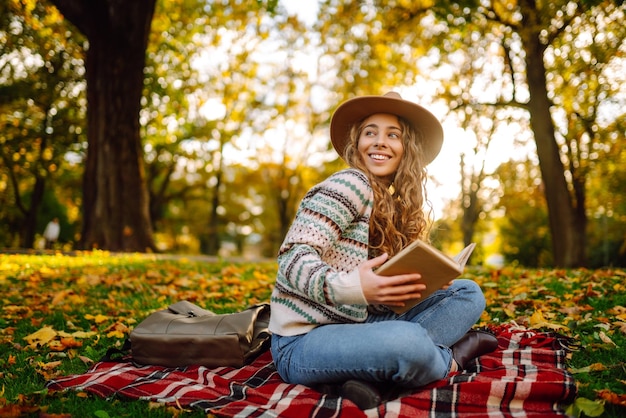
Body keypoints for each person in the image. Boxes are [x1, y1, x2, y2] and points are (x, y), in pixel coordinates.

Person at [268, 91, 498, 409]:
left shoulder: (390, 202)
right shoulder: (349, 184)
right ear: (357, 142)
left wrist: (424, 280)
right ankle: (450, 358)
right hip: (304, 341)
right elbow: (292, 260)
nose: (380, 142)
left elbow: (372, 301)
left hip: (357, 326)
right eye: (370, 132)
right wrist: (356, 287)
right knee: (409, 342)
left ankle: (363, 377)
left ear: (407, 149)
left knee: (466, 293)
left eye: (393, 135)